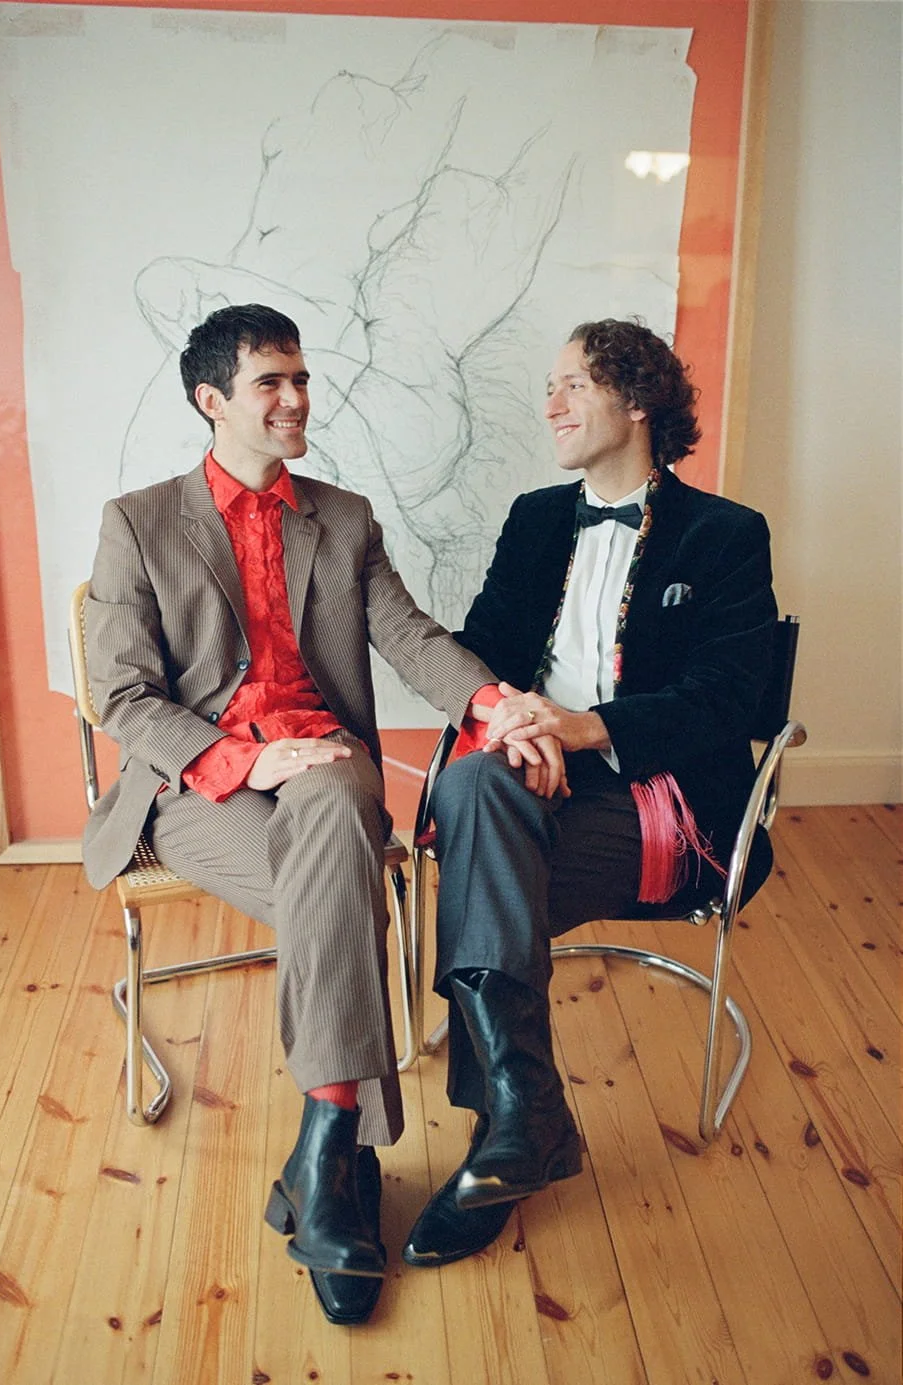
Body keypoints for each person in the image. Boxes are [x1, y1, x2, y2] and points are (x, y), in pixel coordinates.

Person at [81, 303, 502, 1327]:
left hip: (325, 768)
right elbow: (126, 696)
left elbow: (405, 632)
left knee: (327, 796)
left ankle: (326, 1144)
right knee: (342, 875)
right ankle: (341, 1156)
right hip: (197, 787)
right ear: (212, 399)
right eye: (271, 381)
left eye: (301, 378)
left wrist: (492, 702)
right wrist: (245, 751)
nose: (296, 397)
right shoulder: (137, 521)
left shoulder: (345, 516)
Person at [402, 318, 778, 1269]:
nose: (550, 404)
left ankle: (510, 1129)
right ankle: (523, 1124)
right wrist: (514, 719)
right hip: (525, 784)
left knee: (481, 867)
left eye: (572, 384)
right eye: (552, 385)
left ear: (637, 401)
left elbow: (729, 696)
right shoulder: (535, 516)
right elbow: (485, 646)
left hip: (662, 801)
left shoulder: (725, 535)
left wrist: (579, 729)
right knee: (481, 783)